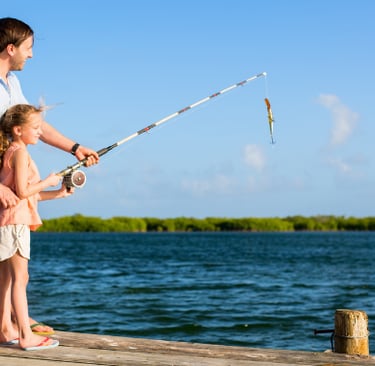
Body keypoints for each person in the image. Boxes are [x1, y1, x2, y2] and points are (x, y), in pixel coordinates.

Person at [0, 17, 99, 338]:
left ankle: (10, 322)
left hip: (12, 182)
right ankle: (13, 325)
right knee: (12, 267)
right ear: (10, 48)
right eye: (28, 48)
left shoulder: (11, 83)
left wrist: (74, 148)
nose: (31, 55)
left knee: (10, 268)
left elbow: (33, 125)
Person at [0, 104, 72, 350]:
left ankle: (4, 330)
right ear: (18, 130)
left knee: (7, 278)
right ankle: (25, 336)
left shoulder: (13, 150)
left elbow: (26, 195)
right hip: (15, 223)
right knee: (21, 278)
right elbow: (23, 191)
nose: (41, 132)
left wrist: (58, 193)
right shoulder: (19, 152)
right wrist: (47, 181)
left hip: (8, 220)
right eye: (36, 128)